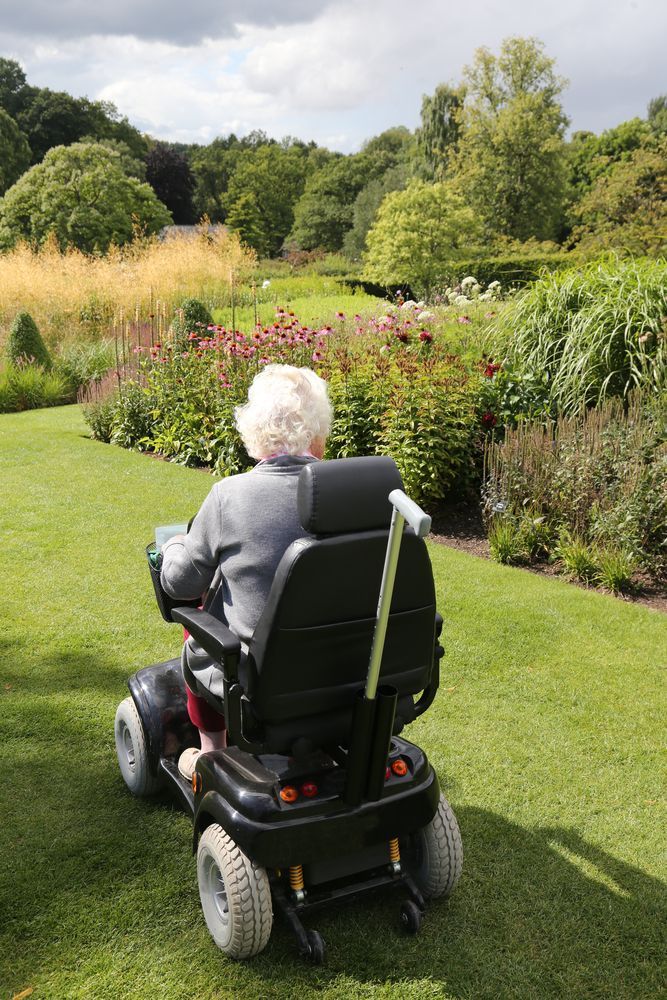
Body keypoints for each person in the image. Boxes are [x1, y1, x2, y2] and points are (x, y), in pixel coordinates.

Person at [160, 364, 332, 779]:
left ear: (255, 430)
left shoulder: (229, 496)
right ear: (317, 429)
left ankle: (210, 753)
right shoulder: (356, 491)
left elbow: (181, 582)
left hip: (261, 679)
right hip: (344, 665)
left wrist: (174, 547)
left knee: (198, 630)